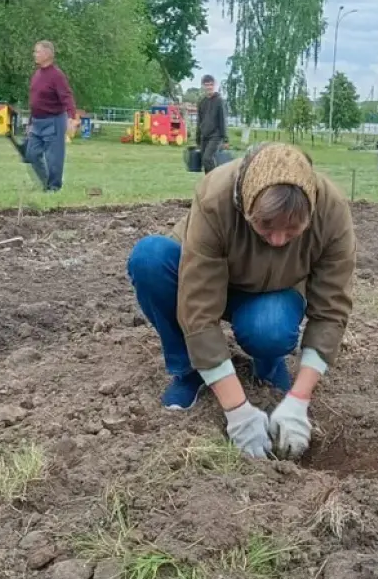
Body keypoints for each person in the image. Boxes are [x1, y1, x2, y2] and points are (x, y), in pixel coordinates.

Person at [125, 142, 356, 460]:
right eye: (265, 227)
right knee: (150, 258)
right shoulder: (216, 198)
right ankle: (190, 370)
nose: (277, 240)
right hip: (211, 279)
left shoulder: (331, 211)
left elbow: (331, 308)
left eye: (292, 230)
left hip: (275, 294)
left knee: (270, 328)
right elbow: (198, 307)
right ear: (247, 207)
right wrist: (238, 411)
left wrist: (299, 399)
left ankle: (269, 362)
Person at [25, 40, 79, 192]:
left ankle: (54, 188)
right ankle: (45, 183)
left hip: (54, 121)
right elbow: (34, 101)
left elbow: (67, 96)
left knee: (54, 158)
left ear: (47, 54)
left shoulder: (57, 75)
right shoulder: (37, 75)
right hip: (37, 122)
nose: (34, 54)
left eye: (37, 51)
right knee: (31, 154)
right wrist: (30, 123)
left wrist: (71, 117)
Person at [196, 74, 229, 174]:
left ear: (214, 85)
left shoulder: (219, 101)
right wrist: (198, 138)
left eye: (211, 84)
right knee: (204, 161)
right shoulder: (202, 102)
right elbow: (199, 121)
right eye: (207, 85)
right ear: (203, 86)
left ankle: (215, 182)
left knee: (208, 158)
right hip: (204, 136)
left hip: (216, 136)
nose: (209, 87)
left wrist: (225, 139)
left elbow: (222, 120)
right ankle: (208, 185)